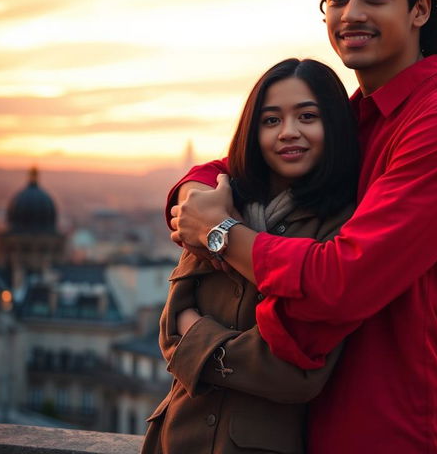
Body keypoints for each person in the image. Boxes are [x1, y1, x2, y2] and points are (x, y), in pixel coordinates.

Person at [168, 0, 437, 454]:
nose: (351, 13)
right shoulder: (355, 120)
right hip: (311, 429)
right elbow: (238, 166)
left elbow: (339, 282)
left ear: (420, 10)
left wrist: (220, 233)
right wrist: (189, 196)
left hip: (396, 433)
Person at [142, 58, 358, 454]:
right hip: (175, 439)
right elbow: (172, 326)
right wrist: (234, 353)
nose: (288, 133)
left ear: (335, 126)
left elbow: (295, 376)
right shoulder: (220, 206)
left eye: (307, 116)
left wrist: (199, 340)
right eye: (271, 120)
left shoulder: (342, 226)